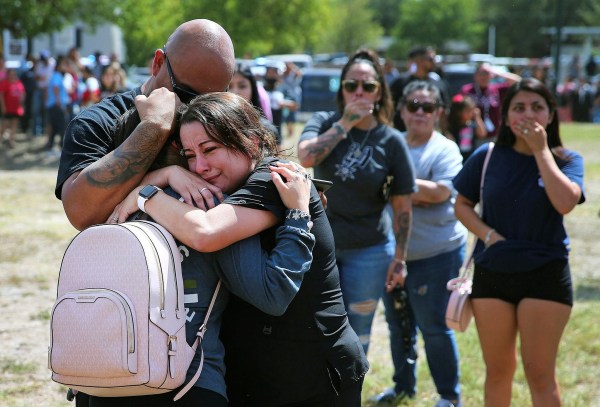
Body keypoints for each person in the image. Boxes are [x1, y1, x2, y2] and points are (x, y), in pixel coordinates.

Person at [108, 91, 368, 406]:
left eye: (210, 149)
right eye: (189, 155)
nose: (199, 166)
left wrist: (144, 193)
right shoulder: (221, 193)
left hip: (314, 373)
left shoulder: (274, 179)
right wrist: (167, 173)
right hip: (262, 373)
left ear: (252, 142)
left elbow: (205, 233)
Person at [453, 78, 585, 407]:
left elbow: (565, 203)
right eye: (519, 107)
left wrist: (541, 151)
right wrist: (488, 235)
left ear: (551, 115)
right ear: (506, 115)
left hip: (545, 274)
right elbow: (462, 204)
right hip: (494, 272)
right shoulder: (487, 155)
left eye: (537, 107)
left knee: (540, 374)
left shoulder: (567, 159)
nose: (528, 114)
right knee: (498, 371)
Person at [56, 19, 236, 231]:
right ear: (158, 63)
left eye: (214, 97)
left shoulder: (223, 114)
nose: (197, 108)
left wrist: (160, 177)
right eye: (187, 95)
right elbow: (81, 212)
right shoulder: (99, 121)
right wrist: (153, 127)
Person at [297, 49, 417, 355]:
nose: (359, 92)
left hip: (370, 251)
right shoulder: (325, 122)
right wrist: (345, 125)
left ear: (380, 91)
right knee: (314, 325)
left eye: (367, 86)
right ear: (342, 89)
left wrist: (400, 259)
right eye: (351, 85)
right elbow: (306, 156)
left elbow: (403, 206)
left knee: (358, 330)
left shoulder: (391, 140)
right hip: (321, 247)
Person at [372, 81, 467, 407]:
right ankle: (403, 388)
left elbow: (440, 192)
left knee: (435, 328)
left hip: (436, 254)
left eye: (428, 107)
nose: (420, 113)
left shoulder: (445, 149)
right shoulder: (391, 144)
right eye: (413, 105)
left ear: (439, 112)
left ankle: (448, 397)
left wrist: (394, 185)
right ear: (401, 110)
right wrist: (414, 192)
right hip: (393, 254)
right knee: (399, 327)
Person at [389, 46, 449, 132]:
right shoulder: (400, 83)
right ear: (418, 60)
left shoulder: (438, 83)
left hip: (429, 139)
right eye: (431, 59)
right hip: (402, 135)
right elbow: (388, 109)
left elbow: (444, 113)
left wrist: (445, 132)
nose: (434, 62)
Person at [459, 62, 521, 141]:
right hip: (471, 136)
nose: (483, 77)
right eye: (481, 73)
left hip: (494, 135)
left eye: (486, 73)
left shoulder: (497, 89)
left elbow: (519, 81)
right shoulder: (467, 90)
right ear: (475, 75)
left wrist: (498, 73)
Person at [228, 65, 277, 138]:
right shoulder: (212, 127)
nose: (235, 92)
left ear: (253, 88)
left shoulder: (266, 129)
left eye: (242, 86)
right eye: (229, 87)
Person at [446, 93, 487, 162]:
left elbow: (482, 134)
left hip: (470, 156)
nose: (472, 113)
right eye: (468, 111)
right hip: (458, 156)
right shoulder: (453, 127)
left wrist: (478, 117)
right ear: (459, 112)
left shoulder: (472, 124)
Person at [45, 55, 70, 151]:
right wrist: (59, 102)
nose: (66, 67)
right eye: (64, 65)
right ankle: (60, 145)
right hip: (56, 105)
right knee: (60, 125)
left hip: (56, 105)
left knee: (56, 125)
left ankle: (52, 144)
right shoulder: (57, 76)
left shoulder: (58, 76)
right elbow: (56, 89)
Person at [0, 68, 25, 148]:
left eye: (14, 74)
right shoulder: (5, 83)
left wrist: (22, 101)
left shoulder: (18, 83)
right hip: (7, 108)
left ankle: (11, 141)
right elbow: (1, 95)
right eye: (11, 73)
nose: (13, 75)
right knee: (5, 125)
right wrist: (3, 106)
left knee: (14, 124)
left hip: (16, 108)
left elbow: (23, 93)